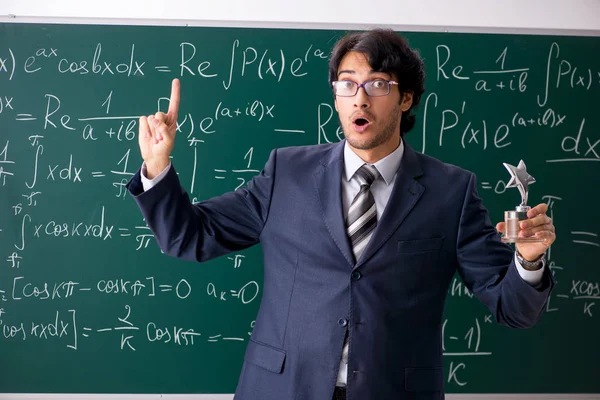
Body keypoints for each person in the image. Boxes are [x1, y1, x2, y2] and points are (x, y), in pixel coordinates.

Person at [127, 29, 556, 400]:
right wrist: (158, 167)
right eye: (347, 84)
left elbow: (512, 308)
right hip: (282, 388)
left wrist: (530, 261)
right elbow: (189, 237)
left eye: (377, 85)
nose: (360, 98)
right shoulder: (286, 172)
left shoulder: (451, 191)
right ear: (335, 96)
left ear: (406, 99)